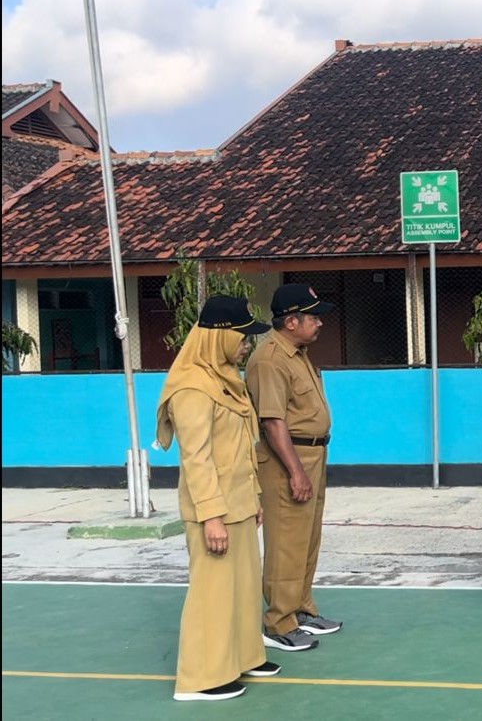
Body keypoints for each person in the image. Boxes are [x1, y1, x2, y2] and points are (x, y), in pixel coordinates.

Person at [156, 296, 279, 701]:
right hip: (214, 508)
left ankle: (244, 656)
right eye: (243, 337)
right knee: (212, 592)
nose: (248, 345)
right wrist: (211, 517)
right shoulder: (192, 386)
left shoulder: (226, 377)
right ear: (220, 337)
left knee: (243, 587)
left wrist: (256, 495)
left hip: (240, 502)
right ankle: (201, 678)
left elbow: (244, 444)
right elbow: (196, 457)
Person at [245, 283, 340, 651]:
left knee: (307, 538)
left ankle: (301, 608)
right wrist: (296, 471)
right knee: (286, 541)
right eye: (313, 317)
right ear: (291, 322)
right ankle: (278, 621)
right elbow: (272, 422)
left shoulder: (297, 353)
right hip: (288, 460)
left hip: (313, 455)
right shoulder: (269, 359)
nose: (319, 323)